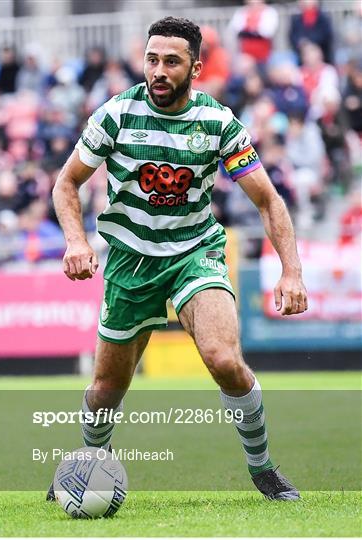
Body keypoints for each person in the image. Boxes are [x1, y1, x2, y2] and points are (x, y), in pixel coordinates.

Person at [47, 17, 307, 502]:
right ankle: (84, 466)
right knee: (107, 386)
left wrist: (291, 271)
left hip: (194, 252)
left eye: (171, 61)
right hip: (129, 259)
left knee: (223, 359)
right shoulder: (115, 114)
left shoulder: (217, 123)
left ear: (196, 68)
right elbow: (66, 183)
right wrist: (76, 241)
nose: (159, 71)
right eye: (152, 60)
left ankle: (263, 469)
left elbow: (268, 200)